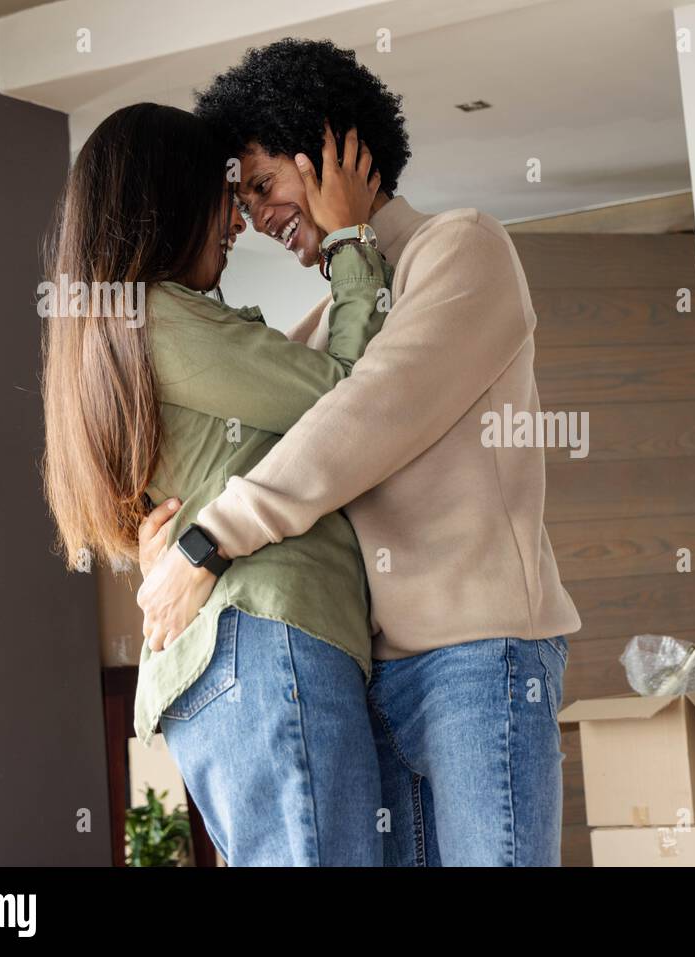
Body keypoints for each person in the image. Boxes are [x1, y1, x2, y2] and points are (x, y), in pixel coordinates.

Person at [136, 38, 582, 866]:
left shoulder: (462, 250)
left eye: (264, 184)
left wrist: (210, 540)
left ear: (335, 149)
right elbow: (281, 436)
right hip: (374, 673)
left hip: (478, 657)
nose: (256, 218)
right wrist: (172, 531)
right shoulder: (329, 329)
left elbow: (361, 418)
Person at [41, 102, 390, 865]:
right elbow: (355, 396)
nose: (238, 223)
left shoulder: (115, 331)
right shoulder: (162, 317)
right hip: (268, 641)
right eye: (226, 197)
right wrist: (351, 243)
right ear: (165, 202)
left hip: (223, 663)